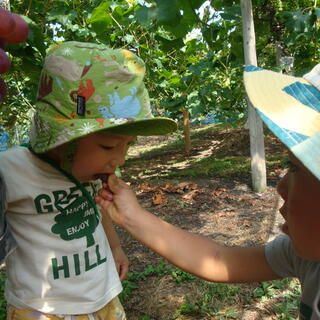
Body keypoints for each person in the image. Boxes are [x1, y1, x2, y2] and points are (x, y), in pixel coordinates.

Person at [96, 63, 320, 319]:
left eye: (295, 167)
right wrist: (131, 216)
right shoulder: (305, 256)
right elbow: (218, 259)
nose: (280, 186)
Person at [0, 41, 177, 319]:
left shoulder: (94, 174)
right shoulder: (10, 170)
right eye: (108, 146)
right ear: (62, 140)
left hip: (102, 296)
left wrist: (116, 247)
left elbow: (99, 207)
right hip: (42, 308)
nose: (119, 160)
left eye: (127, 146)